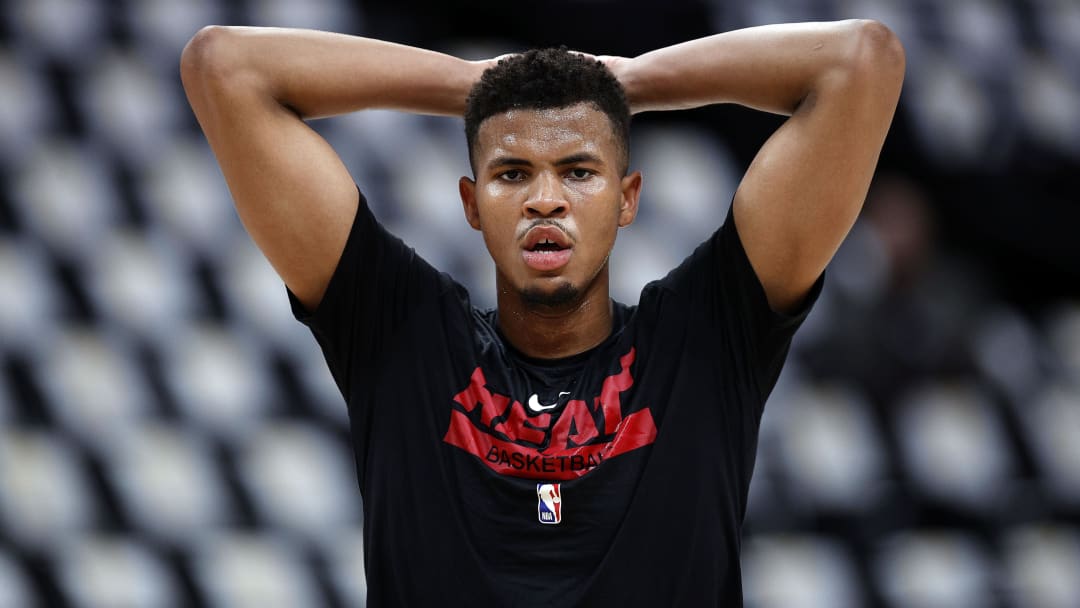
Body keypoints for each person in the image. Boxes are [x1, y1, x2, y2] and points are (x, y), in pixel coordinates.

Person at [180, 19, 904, 606]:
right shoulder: (401, 334)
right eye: (512, 172)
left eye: (580, 170)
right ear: (471, 204)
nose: (545, 199)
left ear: (628, 198)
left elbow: (860, 62)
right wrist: (479, 86)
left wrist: (628, 84)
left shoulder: (706, 337)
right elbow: (225, 67)